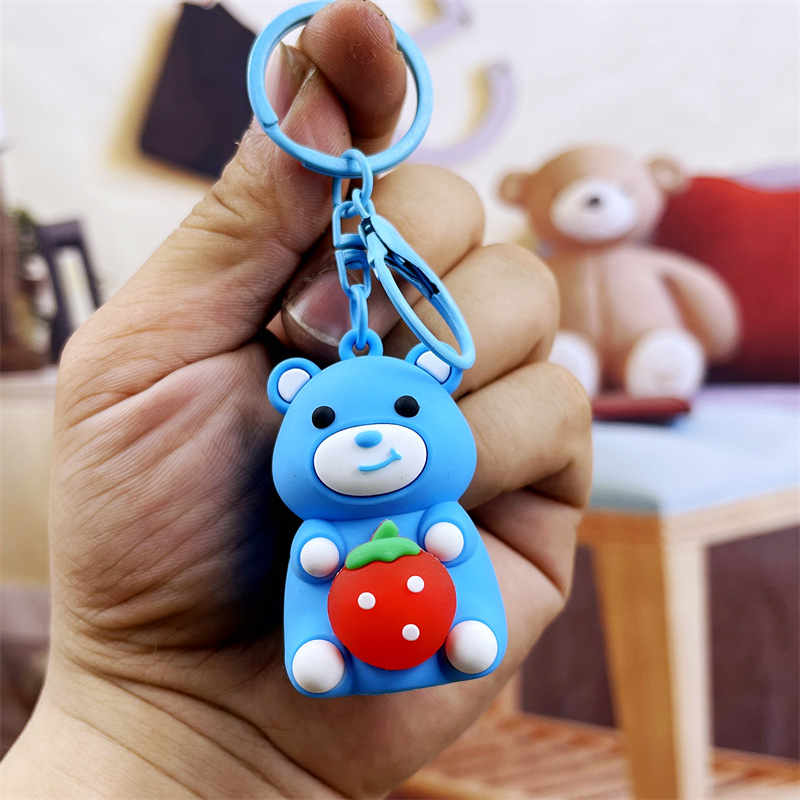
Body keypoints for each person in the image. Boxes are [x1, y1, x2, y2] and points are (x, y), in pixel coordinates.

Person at [0, 1, 591, 796]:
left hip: (423, 628)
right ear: (290, 397)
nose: (371, 437)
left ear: (437, 378)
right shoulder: (316, 533)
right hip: (323, 648)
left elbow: (459, 562)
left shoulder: (434, 518)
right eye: (326, 419)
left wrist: (466, 612)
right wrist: (146, 720)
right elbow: (312, 587)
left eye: (407, 410)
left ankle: (457, 642)